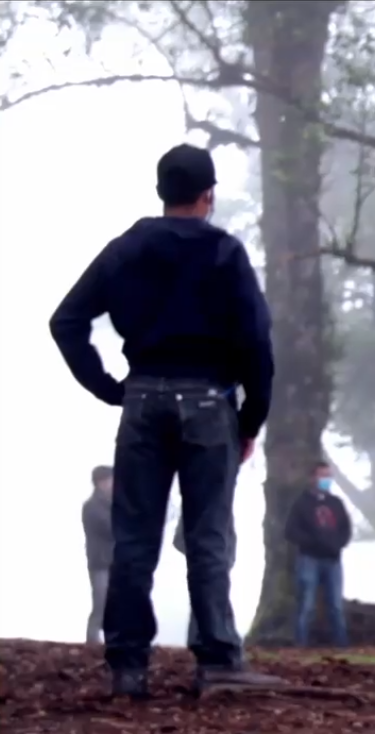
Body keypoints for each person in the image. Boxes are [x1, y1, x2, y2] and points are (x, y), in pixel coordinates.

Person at [49, 144, 278, 698]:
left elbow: (66, 320)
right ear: (208, 195)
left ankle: (128, 667)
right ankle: (218, 661)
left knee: (134, 538)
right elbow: (256, 341)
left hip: (143, 401)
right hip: (209, 404)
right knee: (207, 536)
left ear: (161, 192)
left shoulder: (127, 249)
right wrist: (250, 419)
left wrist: (109, 388)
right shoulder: (224, 253)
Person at [285, 461, 354, 648]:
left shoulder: (336, 503)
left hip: (333, 560)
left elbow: (346, 529)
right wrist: (313, 543)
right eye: (322, 475)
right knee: (306, 604)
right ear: (312, 478)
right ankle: (301, 644)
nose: (326, 480)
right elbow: (291, 531)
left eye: (328, 476)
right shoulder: (301, 503)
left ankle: (341, 645)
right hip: (309, 559)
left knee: (335, 605)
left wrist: (337, 544)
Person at [172, 514, 238, 648]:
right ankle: (204, 641)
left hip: (218, 563)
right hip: (209, 562)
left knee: (212, 598)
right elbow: (180, 539)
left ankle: (207, 640)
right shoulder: (202, 510)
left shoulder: (221, 511)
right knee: (206, 597)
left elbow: (230, 538)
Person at [83, 465, 115, 645]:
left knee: (115, 604)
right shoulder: (92, 507)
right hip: (100, 563)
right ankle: (92, 642)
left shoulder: (113, 504)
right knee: (101, 604)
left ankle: (111, 641)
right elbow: (111, 528)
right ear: (100, 482)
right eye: (110, 480)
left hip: (114, 561)